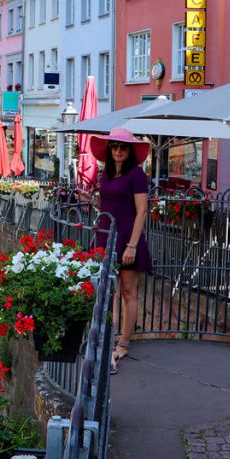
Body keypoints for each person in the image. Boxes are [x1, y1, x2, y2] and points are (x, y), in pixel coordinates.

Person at [91, 128, 152, 374]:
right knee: (109, 292)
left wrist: (133, 245)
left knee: (128, 292)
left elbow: (142, 212)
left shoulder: (137, 175)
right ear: (109, 149)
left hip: (127, 238)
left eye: (123, 147)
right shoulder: (105, 173)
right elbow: (107, 203)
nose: (118, 150)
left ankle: (123, 343)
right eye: (114, 146)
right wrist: (92, 199)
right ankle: (109, 339)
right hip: (106, 236)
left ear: (129, 151)